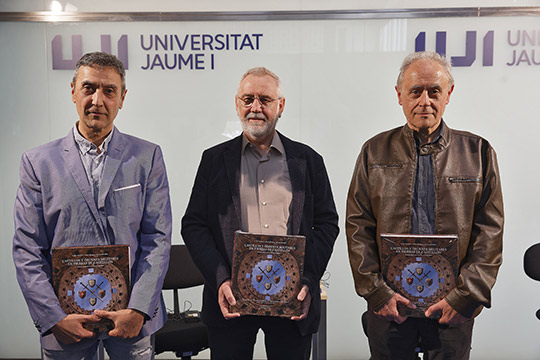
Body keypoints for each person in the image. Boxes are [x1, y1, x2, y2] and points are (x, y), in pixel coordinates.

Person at [12, 52, 172, 359]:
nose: (98, 100)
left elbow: (158, 238)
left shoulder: (147, 157)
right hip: (66, 326)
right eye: (89, 88)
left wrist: (139, 309)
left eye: (109, 91)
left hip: (130, 323)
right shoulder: (38, 163)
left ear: (122, 98)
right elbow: (27, 248)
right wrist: (53, 318)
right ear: (73, 91)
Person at [346, 51, 504, 360]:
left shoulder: (478, 152)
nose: (425, 101)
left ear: (449, 94)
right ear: (399, 95)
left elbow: (490, 234)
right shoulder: (374, 151)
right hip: (392, 306)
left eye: (434, 91)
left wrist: (465, 298)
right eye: (415, 91)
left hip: (452, 306)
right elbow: (358, 227)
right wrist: (377, 294)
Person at [181, 67, 339, 360]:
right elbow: (193, 225)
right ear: (237, 104)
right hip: (231, 300)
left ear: (281, 106)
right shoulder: (213, 160)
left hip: (291, 300)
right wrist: (220, 279)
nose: (256, 107)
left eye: (265, 99)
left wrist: (306, 278)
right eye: (248, 98)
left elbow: (327, 224)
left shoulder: (308, 160)